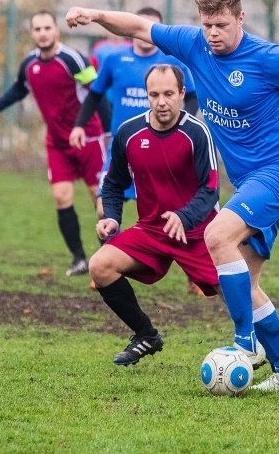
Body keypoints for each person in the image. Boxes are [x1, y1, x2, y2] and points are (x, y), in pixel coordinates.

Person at [66, 0, 279, 392]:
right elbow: (138, 27)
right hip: (248, 184)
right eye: (207, 25)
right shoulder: (194, 45)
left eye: (221, 24)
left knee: (216, 234)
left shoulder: (269, 57)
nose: (213, 33)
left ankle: (245, 344)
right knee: (244, 285)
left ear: (240, 18)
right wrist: (95, 15)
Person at [90, 64, 229, 366]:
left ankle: (258, 347)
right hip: (151, 230)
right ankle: (146, 335)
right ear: (147, 96)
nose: (161, 102)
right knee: (100, 266)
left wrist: (184, 217)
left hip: (198, 233)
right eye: (154, 95)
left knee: (236, 291)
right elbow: (113, 183)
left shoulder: (197, 132)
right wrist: (112, 216)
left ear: (181, 94)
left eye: (168, 94)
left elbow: (210, 190)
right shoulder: (129, 133)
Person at [69, 6, 203, 296]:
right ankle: (106, 265)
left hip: (161, 153)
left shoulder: (171, 63)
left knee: (174, 212)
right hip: (122, 149)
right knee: (105, 203)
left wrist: (183, 129)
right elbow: (94, 95)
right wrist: (80, 125)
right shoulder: (115, 59)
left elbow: (191, 98)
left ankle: (194, 275)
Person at [0, 10, 105, 277]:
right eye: (37, 29)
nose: (43, 33)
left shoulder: (74, 60)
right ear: (32, 34)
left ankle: (107, 261)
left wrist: (109, 131)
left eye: (47, 28)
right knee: (61, 196)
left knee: (101, 201)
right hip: (57, 143)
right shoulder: (29, 64)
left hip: (89, 138)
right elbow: (20, 89)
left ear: (56, 31)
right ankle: (79, 259)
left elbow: (97, 93)